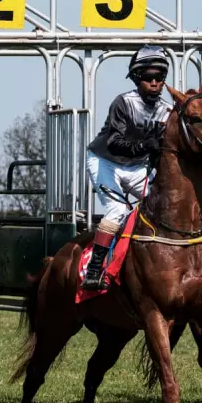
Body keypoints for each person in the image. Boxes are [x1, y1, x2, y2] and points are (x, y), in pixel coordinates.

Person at [82, 45, 172, 290]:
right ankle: (94, 268)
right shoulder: (123, 102)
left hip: (136, 167)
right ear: (136, 78)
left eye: (160, 77)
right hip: (105, 161)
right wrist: (146, 146)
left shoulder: (167, 110)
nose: (154, 82)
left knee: (163, 206)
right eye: (147, 77)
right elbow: (114, 142)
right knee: (117, 211)